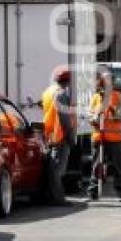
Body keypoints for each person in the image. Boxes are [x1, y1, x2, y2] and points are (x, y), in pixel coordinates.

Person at [87, 71, 121, 201]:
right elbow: (90, 114)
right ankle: (93, 191)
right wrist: (93, 118)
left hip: (114, 138)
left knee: (117, 166)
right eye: (103, 82)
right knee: (96, 165)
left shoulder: (118, 96)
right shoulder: (95, 97)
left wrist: (111, 109)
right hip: (98, 136)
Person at [42, 65, 76, 205]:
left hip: (50, 134)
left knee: (52, 167)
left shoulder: (48, 92)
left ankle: (51, 196)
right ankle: (58, 199)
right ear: (67, 81)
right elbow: (64, 117)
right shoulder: (62, 94)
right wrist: (70, 135)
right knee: (58, 169)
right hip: (60, 135)